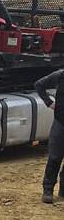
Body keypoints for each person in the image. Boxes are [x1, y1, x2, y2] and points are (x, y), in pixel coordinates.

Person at [34, 68, 64, 203]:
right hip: (61, 123)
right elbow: (39, 84)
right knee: (55, 157)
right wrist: (49, 102)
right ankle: (48, 190)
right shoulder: (60, 75)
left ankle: (63, 190)